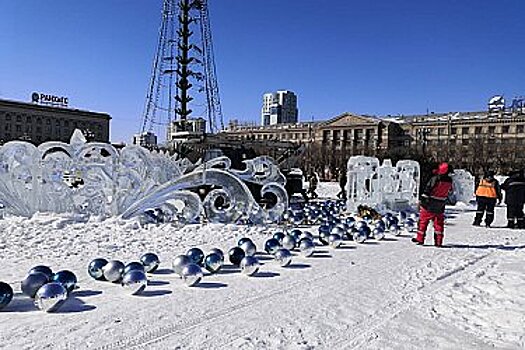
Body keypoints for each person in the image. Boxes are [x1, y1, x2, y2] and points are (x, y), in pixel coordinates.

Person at [412, 162, 454, 247]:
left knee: (423, 221)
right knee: (438, 223)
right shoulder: (449, 181)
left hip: (429, 203)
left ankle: (420, 239)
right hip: (440, 204)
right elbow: (450, 191)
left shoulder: (435, 178)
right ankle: (438, 241)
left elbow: (428, 188)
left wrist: (422, 199)